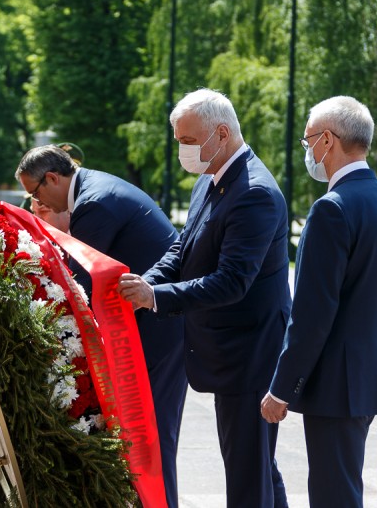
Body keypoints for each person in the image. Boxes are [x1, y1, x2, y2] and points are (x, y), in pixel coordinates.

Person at [118, 88, 291, 507]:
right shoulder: (210, 180)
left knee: (248, 474)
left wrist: (156, 297)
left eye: (188, 141)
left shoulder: (254, 193)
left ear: (222, 134)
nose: (182, 151)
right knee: (256, 466)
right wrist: (147, 283)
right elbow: (183, 249)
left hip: (249, 356)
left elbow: (232, 282)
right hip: (228, 352)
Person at [15, 144, 188, 508]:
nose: (37, 202)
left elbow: (79, 285)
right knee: (148, 436)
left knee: (151, 437)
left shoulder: (94, 205)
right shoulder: (94, 189)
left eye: (35, 192)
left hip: (159, 330)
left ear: (53, 178)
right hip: (155, 324)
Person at [260, 96, 377, 508]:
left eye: (309, 140)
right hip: (366, 374)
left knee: (333, 494)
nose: (308, 151)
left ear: (328, 140)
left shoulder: (332, 209)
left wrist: (281, 388)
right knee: (342, 487)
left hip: (337, 381)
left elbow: (311, 313)